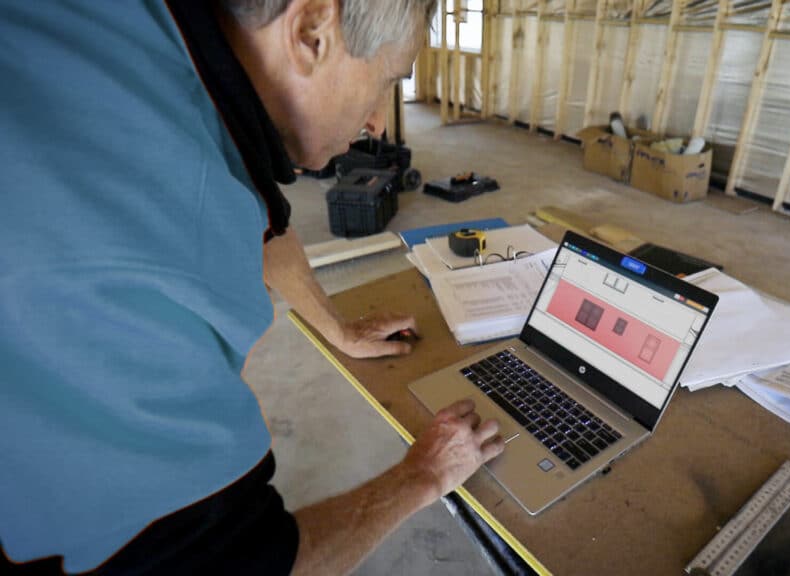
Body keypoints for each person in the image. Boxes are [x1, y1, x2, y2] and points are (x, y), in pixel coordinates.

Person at [0, 1, 504, 574]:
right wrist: (424, 476)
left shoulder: (146, 39)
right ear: (312, 32)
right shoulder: (158, 245)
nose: (377, 124)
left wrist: (337, 327)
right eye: (387, 80)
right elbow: (235, 562)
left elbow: (260, 215)